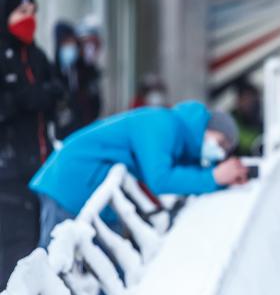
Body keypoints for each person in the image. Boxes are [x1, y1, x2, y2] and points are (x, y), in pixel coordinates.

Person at [29, 101, 248, 246]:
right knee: (56, 261)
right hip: (70, 182)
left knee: (108, 268)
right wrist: (214, 178)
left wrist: (222, 180)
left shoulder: (181, 139)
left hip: (89, 189)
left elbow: (187, 173)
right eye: (219, 142)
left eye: (224, 149)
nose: (218, 150)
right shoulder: (162, 123)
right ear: (205, 127)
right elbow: (160, 179)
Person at [0, 0, 67, 285]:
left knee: (35, 245)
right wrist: (30, 97)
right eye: (21, 12)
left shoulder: (37, 56)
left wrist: (37, 96)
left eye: (32, 12)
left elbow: (57, 92)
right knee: (15, 246)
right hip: (8, 170)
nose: (29, 18)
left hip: (40, 166)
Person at [230, 79, 264, 156]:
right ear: (238, 101)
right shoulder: (231, 118)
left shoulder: (255, 117)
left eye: (252, 100)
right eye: (246, 99)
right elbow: (242, 140)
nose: (250, 103)